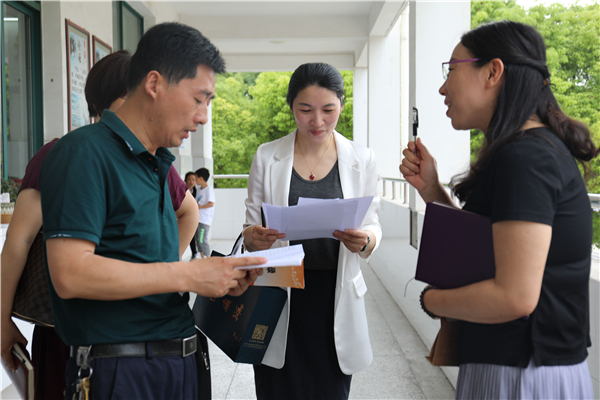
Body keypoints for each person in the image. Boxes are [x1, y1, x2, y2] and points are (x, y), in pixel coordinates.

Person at [39, 22, 266, 399]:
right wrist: (187, 274)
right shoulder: (84, 153)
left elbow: (152, 267)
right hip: (122, 370)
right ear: (154, 83)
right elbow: (70, 273)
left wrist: (215, 279)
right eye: (199, 99)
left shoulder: (156, 162)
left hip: (178, 361)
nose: (204, 116)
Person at [400, 21, 597, 399]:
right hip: (521, 367)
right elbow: (488, 246)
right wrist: (432, 190)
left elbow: (515, 297)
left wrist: (431, 300)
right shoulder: (530, 151)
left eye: (451, 70)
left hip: (522, 376)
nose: (443, 88)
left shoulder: (525, 158)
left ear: (493, 72)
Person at [1, 49, 196, 400]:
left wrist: (155, 272)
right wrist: (1, 321)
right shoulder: (67, 153)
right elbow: (20, 241)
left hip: (134, 334)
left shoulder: (150, 159)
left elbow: (188, 212)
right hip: (68, 328)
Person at [243, 62, 382, 399]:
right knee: (277, 388)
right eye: (305, 110)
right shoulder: (267, 156)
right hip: (279, 291)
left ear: (341, 106)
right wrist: (254, 236)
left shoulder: (361, 158)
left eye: (328, 110)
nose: (317, 121)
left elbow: (372, 223)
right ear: (291, 106)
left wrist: (366, 240)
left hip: (334, 296)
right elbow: (249, 229)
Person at [194, 167, 215, 258]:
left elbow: (211, 203)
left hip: (204, 220)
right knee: (198, 240)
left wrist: (199, 207)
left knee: (202, 240)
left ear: (201, 178)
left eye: (196, 178)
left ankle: (208, 258)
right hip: (197, 219)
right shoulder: (198, 190)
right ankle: (203, 258)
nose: (195, 180)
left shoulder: (209, 190)